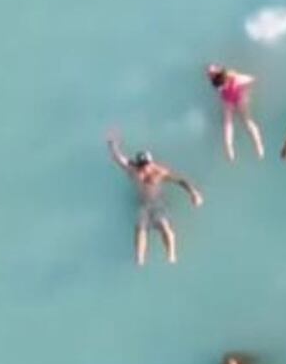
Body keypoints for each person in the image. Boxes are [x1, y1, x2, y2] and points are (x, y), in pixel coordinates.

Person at [106, 131, 204, 266]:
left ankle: (171, 256)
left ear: (150, 163)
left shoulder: (160, 172)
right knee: (141, 229)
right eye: (141, 165)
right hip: (143, 205)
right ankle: (140, 259)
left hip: (158, 203)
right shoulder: (133, 169)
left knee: (165, 226)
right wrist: (112, 145)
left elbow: (180, 180)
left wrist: (194, 193)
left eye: (145, 165)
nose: (143, 169)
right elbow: (119, 158)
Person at [206, 64, 265, 162]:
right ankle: (229, 148)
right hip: (228, 99)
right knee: (228, 123)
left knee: (247, 122)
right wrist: (211, 72)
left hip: (239, 97)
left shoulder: (236, 79)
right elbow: (211, 71)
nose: (221, 87)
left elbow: (252, 79)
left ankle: (259, 145)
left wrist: (246, 92)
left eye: (222, 85)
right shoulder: (215, 79)